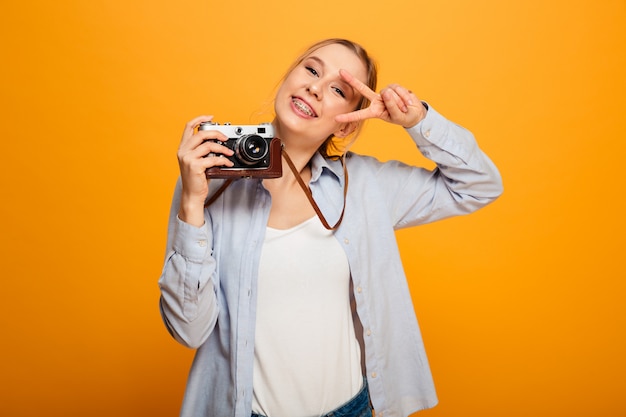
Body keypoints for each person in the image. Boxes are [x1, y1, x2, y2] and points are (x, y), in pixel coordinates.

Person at [158, 38, 503, 417]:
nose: (315, 88)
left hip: (349, 409)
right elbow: (188, 329)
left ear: (346, 125)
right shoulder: (210, 179)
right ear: (288, 77)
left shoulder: (366, 186)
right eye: (311, 69)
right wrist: (192, 201)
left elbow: (479, 184)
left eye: (338, 89)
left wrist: (418, 119)